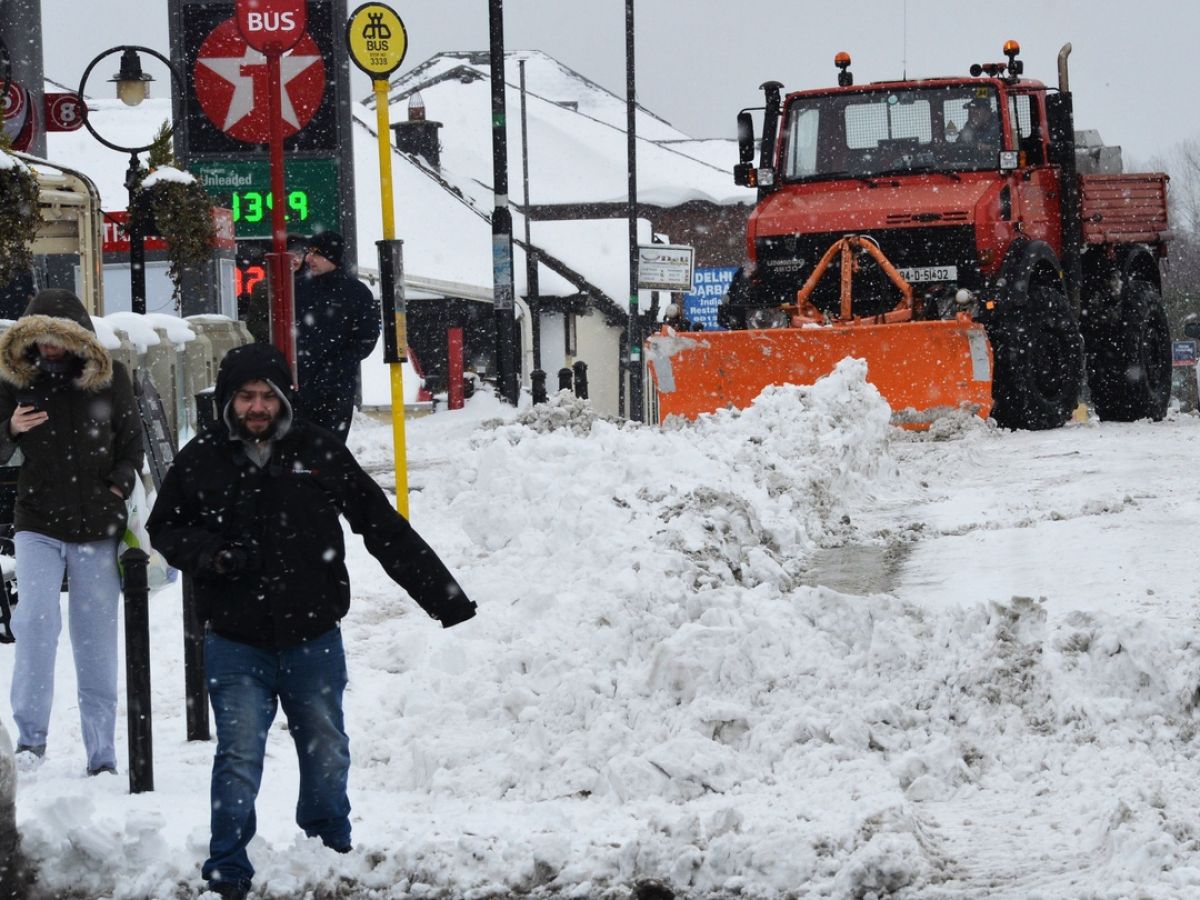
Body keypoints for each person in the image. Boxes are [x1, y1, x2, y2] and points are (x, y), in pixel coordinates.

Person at [145, 342, 475, 900]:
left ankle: (328, 846)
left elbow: (381, 525)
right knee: (238, 754)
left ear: (283, 398)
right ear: (228, 400)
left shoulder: (319, 450)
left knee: (326, 745)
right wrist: (212, 554)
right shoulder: (201, 458)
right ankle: (227, 864)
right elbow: (166, 528)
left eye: (266, 396)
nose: (257, 407)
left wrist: (445, 599)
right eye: (246, 397)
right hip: (234, 637)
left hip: (312, 633)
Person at [0, 289, 143, 776]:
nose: (49, 347)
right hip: (37, 521)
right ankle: (30, 742)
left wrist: (119, 487)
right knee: (36, 623)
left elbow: (131, 447)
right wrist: (11, 430)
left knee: (96, 636)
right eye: (40, 337)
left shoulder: (110, 382)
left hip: (96, 526)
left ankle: (101, 753)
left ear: (78, 336)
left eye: (58, 337)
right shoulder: (14, 384)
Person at [292, 231, 380, 441]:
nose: (309, 258)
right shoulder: (297, 289)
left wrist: (337, 367)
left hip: (336, 390)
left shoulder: (356, 293)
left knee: (330, 449)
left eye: (316, 253)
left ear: (332, 257)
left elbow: (366, 338)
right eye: (309, 252)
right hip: (298, 387)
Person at [243, 234, 309, 345]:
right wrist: (281, 333)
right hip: (275, 346)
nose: (296, 260)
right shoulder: (264, 287)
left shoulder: (313, 284)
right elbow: (254, 323)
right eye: (292, 254)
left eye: (300, 255)